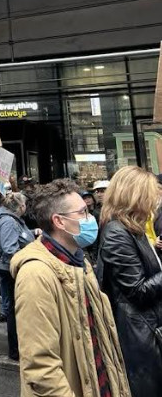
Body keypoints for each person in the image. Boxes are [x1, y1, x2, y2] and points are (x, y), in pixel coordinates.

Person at [12, 179, 130, 397]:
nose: (89, 218)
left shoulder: (78, 261)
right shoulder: (36, 275)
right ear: (59, 221)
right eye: (82, 212)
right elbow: (41, 369)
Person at [98, 166, 162, 397]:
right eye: (151, 194)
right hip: (140, 332)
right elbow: (137, 290)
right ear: (136, 196)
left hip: (148, 325)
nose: (155, 200)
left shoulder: (134, 228)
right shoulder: (117, 232)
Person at [0, 191, 35, 361]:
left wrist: (33, 233)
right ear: (20, 206)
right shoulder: (9, 222)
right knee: (14, 310)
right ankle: (15, 349)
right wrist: (29, 256)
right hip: (11, 271)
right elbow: (9, 248)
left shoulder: (12, 220)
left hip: (13, 269)